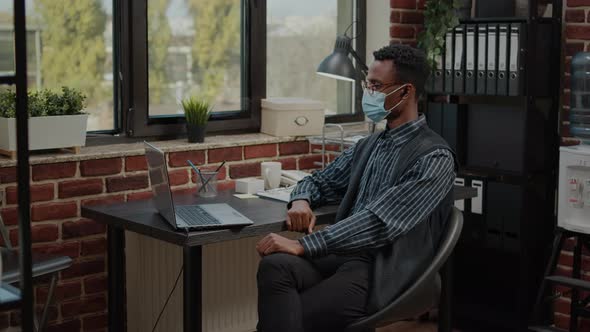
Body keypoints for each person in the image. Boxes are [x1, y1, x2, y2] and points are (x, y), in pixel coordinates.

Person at [255, 44, 457, 332]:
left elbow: (379, 222)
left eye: (376, 85)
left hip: (386, 270)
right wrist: (301, 200)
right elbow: (319, 180)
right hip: (347, 256)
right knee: (274, 267)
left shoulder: (434, 158)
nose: (368, 92)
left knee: (294, 315)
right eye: (368, 83)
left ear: (405, 92)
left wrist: (302, 244)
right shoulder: (369, 145)